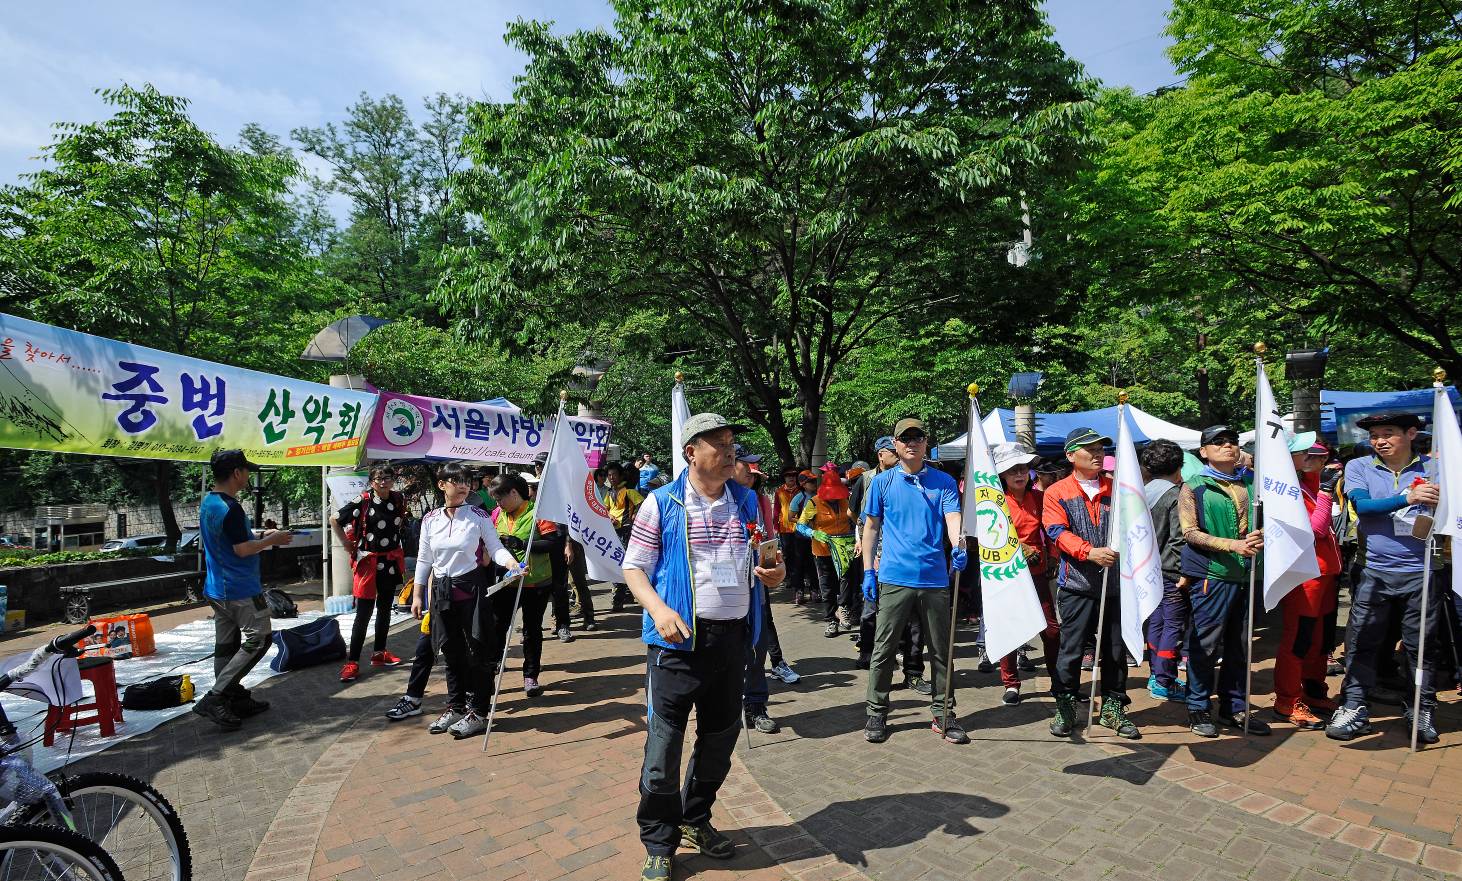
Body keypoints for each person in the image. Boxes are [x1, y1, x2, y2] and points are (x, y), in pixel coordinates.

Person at [622, 413, 785, 881]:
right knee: (664, 748)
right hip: (676, 645)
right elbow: (634, 568)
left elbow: (769, 561)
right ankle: (658, 840)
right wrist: (658, 610)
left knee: (719, 740)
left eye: (732, 441)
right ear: (691, 452)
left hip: (732, 642)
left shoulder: (751, 502)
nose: (730, 450)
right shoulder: (661, 503)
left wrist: (775, 576)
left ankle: (696, 819)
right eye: (719, 442)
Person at [1328, 413, 1442, 743]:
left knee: (1421, 647)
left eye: (1388, 433)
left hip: (1422, 572)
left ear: (1411, 433)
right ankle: (1353, 706)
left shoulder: (1435, 470)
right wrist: (1407, 498)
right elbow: (1363, 507)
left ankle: (1421, 706)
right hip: (1373, 571)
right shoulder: (1359, 467)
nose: (1380, 440)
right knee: (1363, 641)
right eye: (1375, 435)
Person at [861, 418, 969, 745]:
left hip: (935, 578)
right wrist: (868, 570)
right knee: (883, 648)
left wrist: (958, 544)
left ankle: (943, 712)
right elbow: (871, 528)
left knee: (940, 649)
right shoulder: (882, 483)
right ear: (894, 445)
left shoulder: (944, 482)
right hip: (894, 577)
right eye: (904, 438)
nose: (911, 443)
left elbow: (953, 519)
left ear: (926, 442)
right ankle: (876, 712)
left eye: (917, 437)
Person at [412, 462, 525, 739]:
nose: (463, 485)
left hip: (471, 589)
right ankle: (455, 706)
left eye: (466, 480)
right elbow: (425, 559)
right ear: (442, 485)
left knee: (478, 650)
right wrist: (417, 594)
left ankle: (478, 711)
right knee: (450, 651)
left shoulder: (478, 515)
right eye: (456, 480)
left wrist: (513, 564)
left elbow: (495, 548)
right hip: (441, 591)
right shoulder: (430, 519)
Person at [1045, 428, 1137, 739]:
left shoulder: (1118, 489)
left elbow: (1134, 527)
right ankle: (1066, 705)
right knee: (1071, 650)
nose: (1097, 454)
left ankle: (1113, 708)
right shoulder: (1057, 492)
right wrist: (1089, 552)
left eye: (1100, 448)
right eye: (1089, 449)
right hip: (1077, 585)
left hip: (1115, 586)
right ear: (1071, 456)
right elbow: (1056, 531)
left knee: (1114, 651)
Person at [1178, 425, 1269, 737]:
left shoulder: (1249, 482)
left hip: (1247, 574)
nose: (1227, 447)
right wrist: (1233, 545)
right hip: (1212, 575)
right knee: (1205, 644)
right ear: (1203, 451)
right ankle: (1197, 706)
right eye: (1218, 443)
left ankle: (1234, 705)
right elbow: (1189, 533)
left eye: (1232, 442)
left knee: (1240, 645)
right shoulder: (1194, 486)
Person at [193, 449, 293, 730]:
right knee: (259, 640)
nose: (248, 475)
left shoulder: (209, 503)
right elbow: (241, 549)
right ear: (237, 473)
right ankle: (216, 696)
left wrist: (260, 536)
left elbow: (231, 541)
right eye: (246, 470)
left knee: (225, 647)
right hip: (241, 590)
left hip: (216, 589)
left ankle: (232, 697)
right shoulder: (231, 508)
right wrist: (272, 540)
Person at [1273, 433, 1342, 730]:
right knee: (1299, 637)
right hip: (1304, 574)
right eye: (1310, 455)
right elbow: (1315, 529)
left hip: (1327, 571)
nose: (1320, 460)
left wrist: (1323, 482)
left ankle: (1314, 690)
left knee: (1322, 637)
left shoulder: (1309, 481)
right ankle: (1288, 700)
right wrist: (1327, 490)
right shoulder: (1286, 489)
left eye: (1321, 455)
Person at [850, 436, 928, 687]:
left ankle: (913, 671)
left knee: (914, 621)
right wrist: (866, 555)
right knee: (874, 614)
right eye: (890, 450)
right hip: (881, 562)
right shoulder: (874, 481)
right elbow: (864, 521)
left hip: (913, 566)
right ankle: (872, 661)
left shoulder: (920, 481)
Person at [735, 444, 799, 734]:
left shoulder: (756, 500)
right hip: (719, 593)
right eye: (745, 467)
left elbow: (768, 545)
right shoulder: (709, 499)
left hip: (754, 587)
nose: (751, 474)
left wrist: (774, 568)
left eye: (753, 470)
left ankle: (756, 706)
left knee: (757, 648)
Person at [991, 443, 1059, 705]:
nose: (1019, 474)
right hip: (1007, 574)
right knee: (1009, 629)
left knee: (1051, 629)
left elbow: (1053, 529)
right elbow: (989, 538)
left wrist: (1053, 555)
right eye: (1012, 470)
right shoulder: (996, 503)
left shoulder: (1040, 499)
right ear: (1003, 475)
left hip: (1038, 571)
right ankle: (1010, 683)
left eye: (1023, 468)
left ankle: (1057, 679)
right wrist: (1019, 546)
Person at [486, 472, 563, 698]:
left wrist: (521, 543)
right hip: (505, 584)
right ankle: (490, 673)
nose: (498, 504)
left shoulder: (538, 512)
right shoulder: (496, 514)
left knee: (531, 630)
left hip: (535, 582)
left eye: (501, 498)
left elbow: (553, 543)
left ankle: (530, 676)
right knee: (497, 628)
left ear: (514, 493)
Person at [331, 464, 407, 683]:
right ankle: (352, 662)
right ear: (372, 481)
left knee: (385, 609)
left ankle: (379, 653)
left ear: (393, 479)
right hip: (369, 563)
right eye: (378, 478)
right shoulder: (363, 500)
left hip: (390, 561)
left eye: (387, 478)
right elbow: (334, 519)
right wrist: (346, 544)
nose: (383, 482)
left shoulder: (399, 499)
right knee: (363, 613)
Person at [1138, 439, 1190, 702]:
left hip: (1146, 570)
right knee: (1173, 625)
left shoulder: (1141, 492)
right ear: (1179, 467)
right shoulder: (1175, 495)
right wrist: (1184, 572)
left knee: (1155, 622)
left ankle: (1155, 674)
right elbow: (1179, 537)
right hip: (1171, 571)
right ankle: (1164, 681)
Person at [797, 463, 858, 638]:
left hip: (844, 549)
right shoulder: (813, 502)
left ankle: (844, 608)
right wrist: (813, 532)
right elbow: (800, 526)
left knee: (846, 579)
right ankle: (831, 620)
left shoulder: (846, 500)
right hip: (822, 551)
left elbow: (855, 521)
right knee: (827, 586)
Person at [607, 462, 645, 612]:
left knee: (624, 564)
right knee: (619, 564)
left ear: (621, 475)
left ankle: (619, 599)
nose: (611, 477)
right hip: (614, 532)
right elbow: (605, 508)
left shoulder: (628, 491)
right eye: (609, 475)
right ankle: (625, 595)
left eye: (614, 474)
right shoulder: (610, 492)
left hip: (626, 531)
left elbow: (642, 503)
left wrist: (635, 514)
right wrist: (609, 515)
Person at [772, 467, 808, 604]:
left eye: (793, 476)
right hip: (785, 528)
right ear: (784, 478)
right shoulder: (779, 491)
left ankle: (802, 579)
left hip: (800, 528)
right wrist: (775, 526)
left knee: (801, 555)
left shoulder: (801, 491)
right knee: (788, 555)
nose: (791, 478)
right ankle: (792, 579)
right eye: (788, 476)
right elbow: (776, 510)